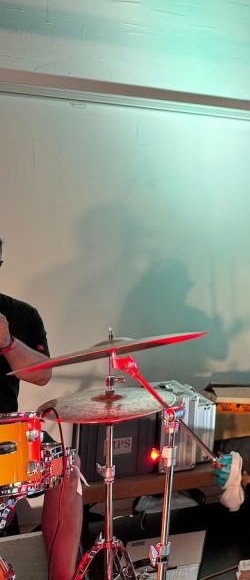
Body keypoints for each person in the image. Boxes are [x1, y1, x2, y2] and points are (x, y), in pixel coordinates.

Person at [0, 236, 83, 580]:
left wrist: (7, 342)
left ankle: (60, 576)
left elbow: (43, 374)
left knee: (65, 464)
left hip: (6, 434)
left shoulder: (20, 314)